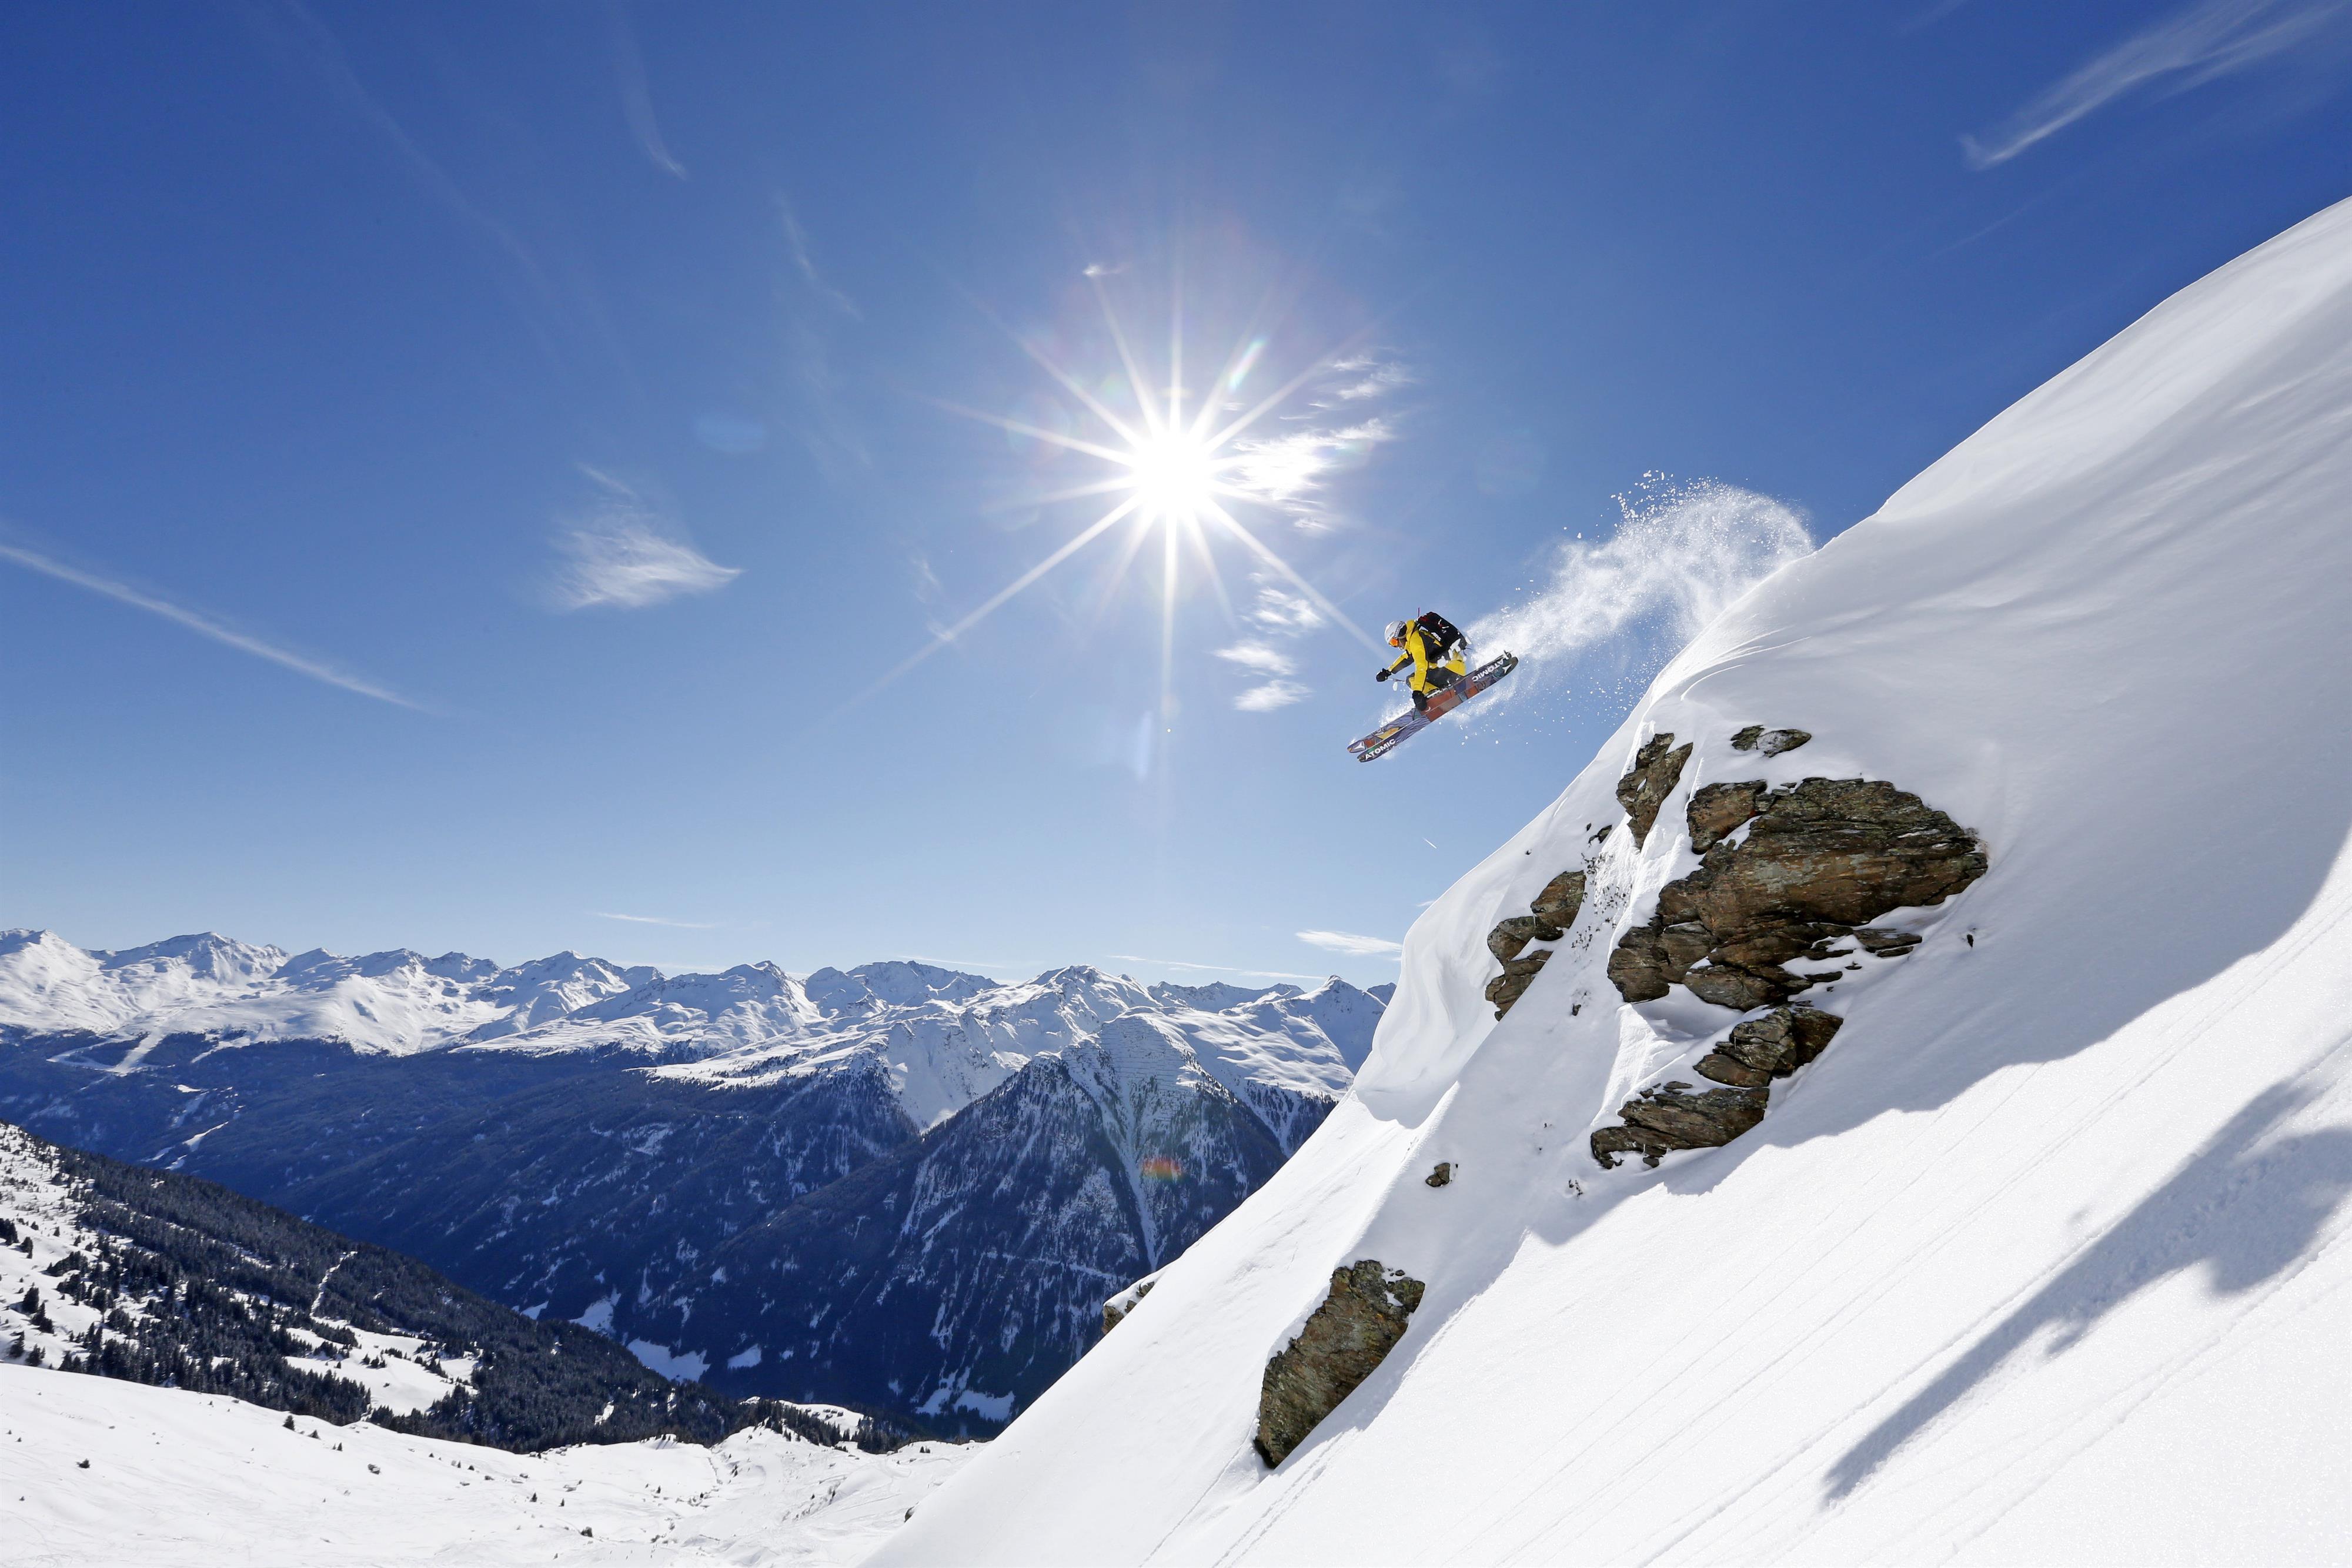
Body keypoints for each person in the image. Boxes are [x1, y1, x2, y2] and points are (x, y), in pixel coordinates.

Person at [1376, 611, 1469, 714]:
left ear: (1400, 634)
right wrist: (1388, 671)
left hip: (1450, 669)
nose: (1397, 646)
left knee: (1411, 679)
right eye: (1392, 645)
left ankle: (1434, 695)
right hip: (1454, 668)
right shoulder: (1414, 639)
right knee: (1412, 679)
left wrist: (1418, 692)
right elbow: (1405, 658)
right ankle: (1437, 692)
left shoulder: (1416, 641)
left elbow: (1422, 666)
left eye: (1394, 642)